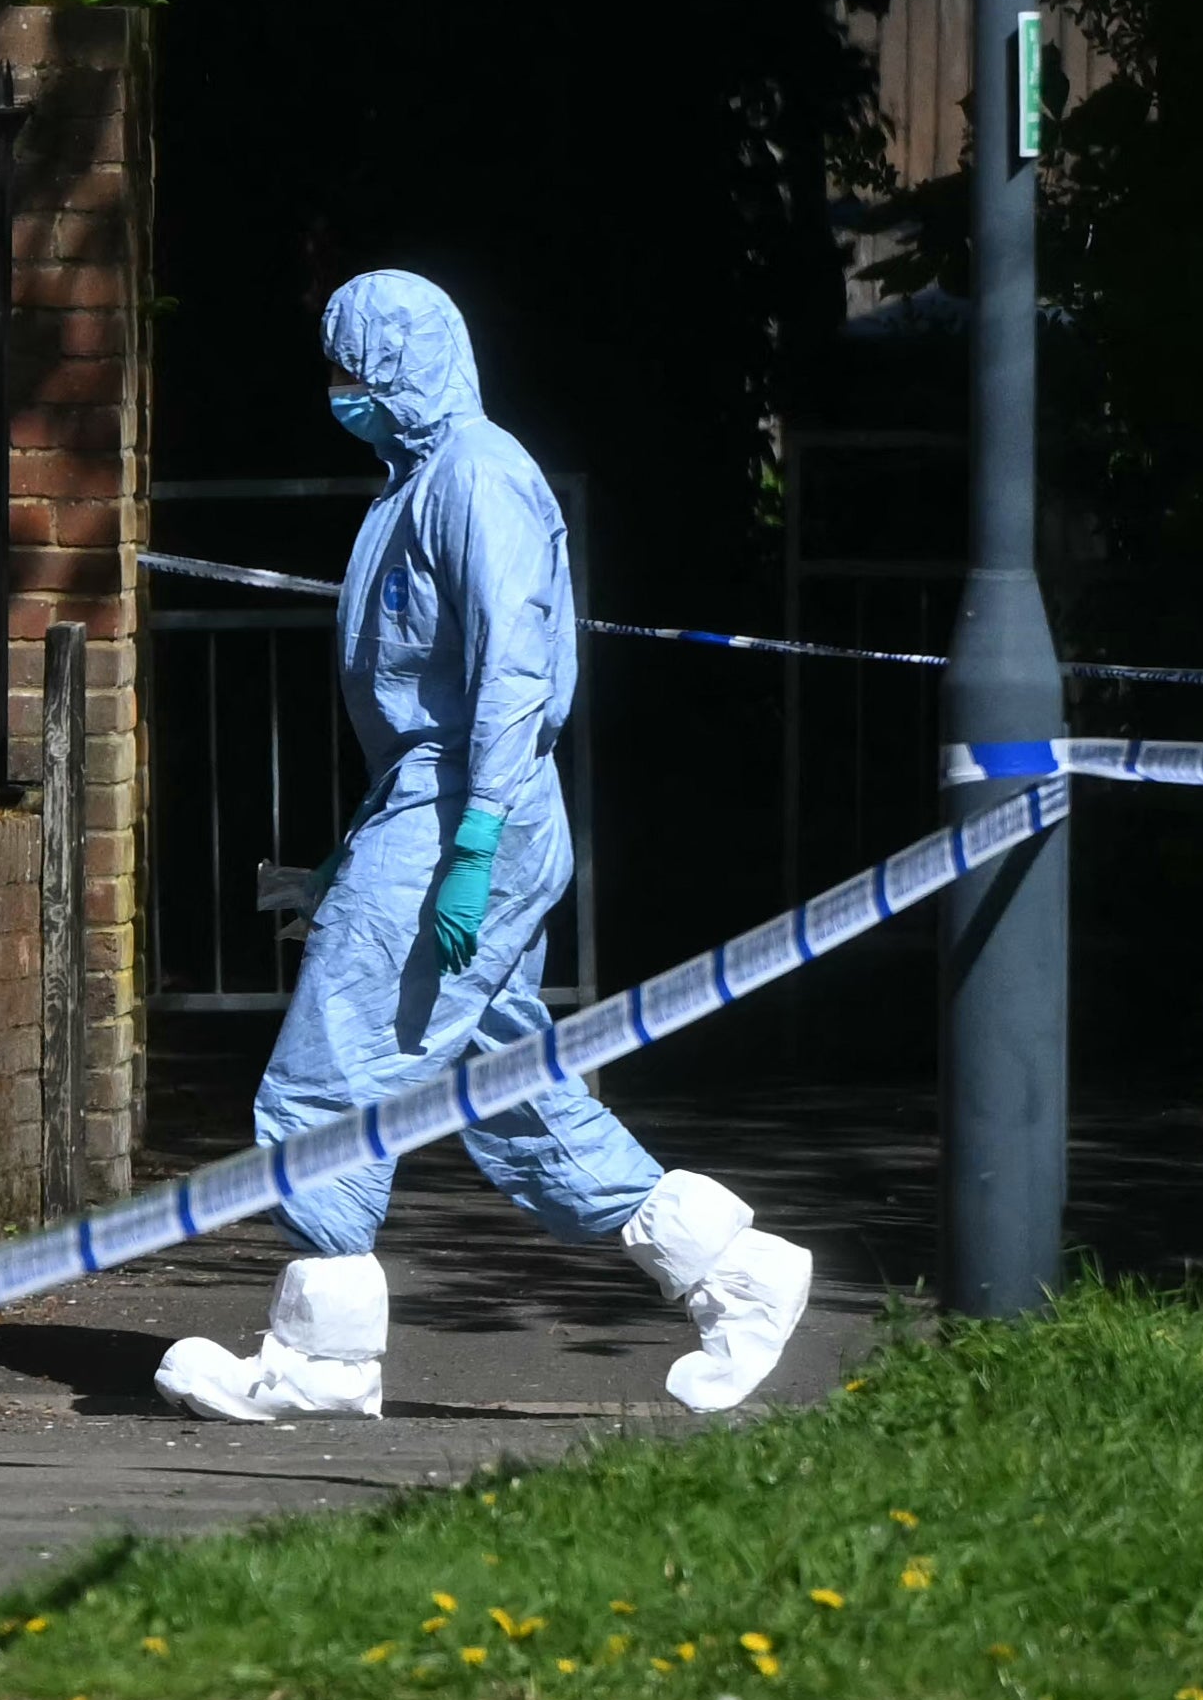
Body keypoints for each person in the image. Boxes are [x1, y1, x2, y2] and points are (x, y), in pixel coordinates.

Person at [155, 271, 814, 1423]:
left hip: (466, 810)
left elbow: (510, 669)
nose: (340, 390)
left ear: (400, 362)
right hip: (439, 806)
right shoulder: (423, 480)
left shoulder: (473, 477)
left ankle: (321, 1357)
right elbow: (424, 710)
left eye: (352, 365)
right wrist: (360, 852)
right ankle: (737, 1274)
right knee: (513, 1096)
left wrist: (469, 840)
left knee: (327, 1075)